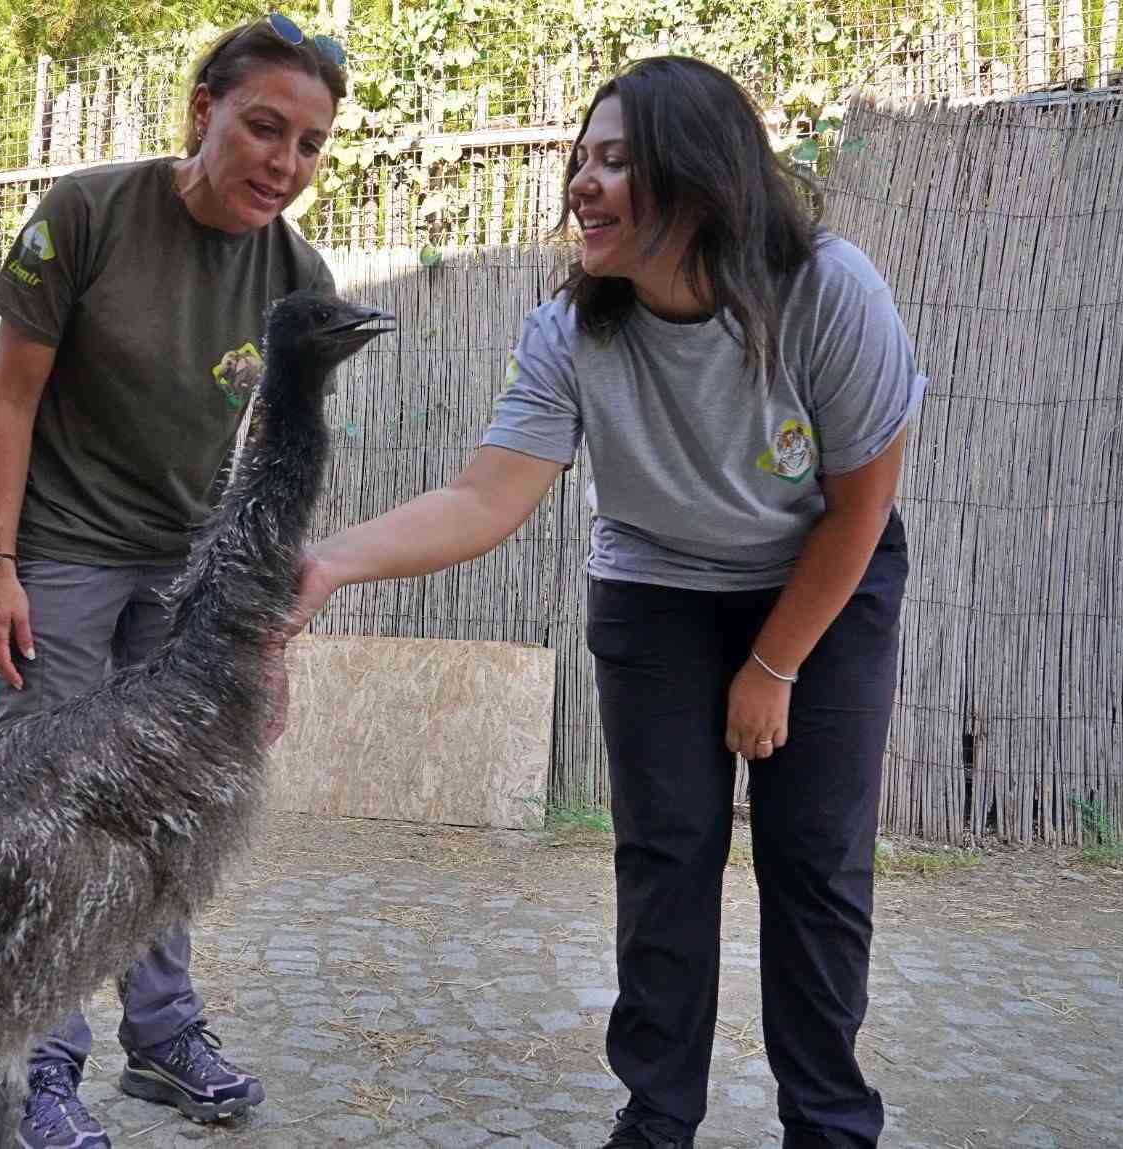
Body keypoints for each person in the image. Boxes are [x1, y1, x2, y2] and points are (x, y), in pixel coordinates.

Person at [291, 56, 925, 1149]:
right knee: (666, 856)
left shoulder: (826, 291)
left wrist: (772, 668)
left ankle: (828, 1124)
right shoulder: (573, 331)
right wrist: (327, 563)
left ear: (700, 173)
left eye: (616, 160)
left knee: (814, 862)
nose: (583, 183)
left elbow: (861, 505)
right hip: (657, 593)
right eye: (580, 159)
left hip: (821, 581)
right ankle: (655, 1121)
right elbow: (484, 495)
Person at [0, 14, 346, 1147]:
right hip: (68, 556)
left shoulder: (299, 279)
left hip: (190, 579)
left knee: (174, 813)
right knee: (57, 817)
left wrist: (261, 642)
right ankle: (34, 1060)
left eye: (310, 144)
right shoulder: (86, 216)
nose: (282, 163)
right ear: (205, 111)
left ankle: (164, 1034)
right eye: (263, 128)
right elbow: (9, 401)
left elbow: (281, 474)